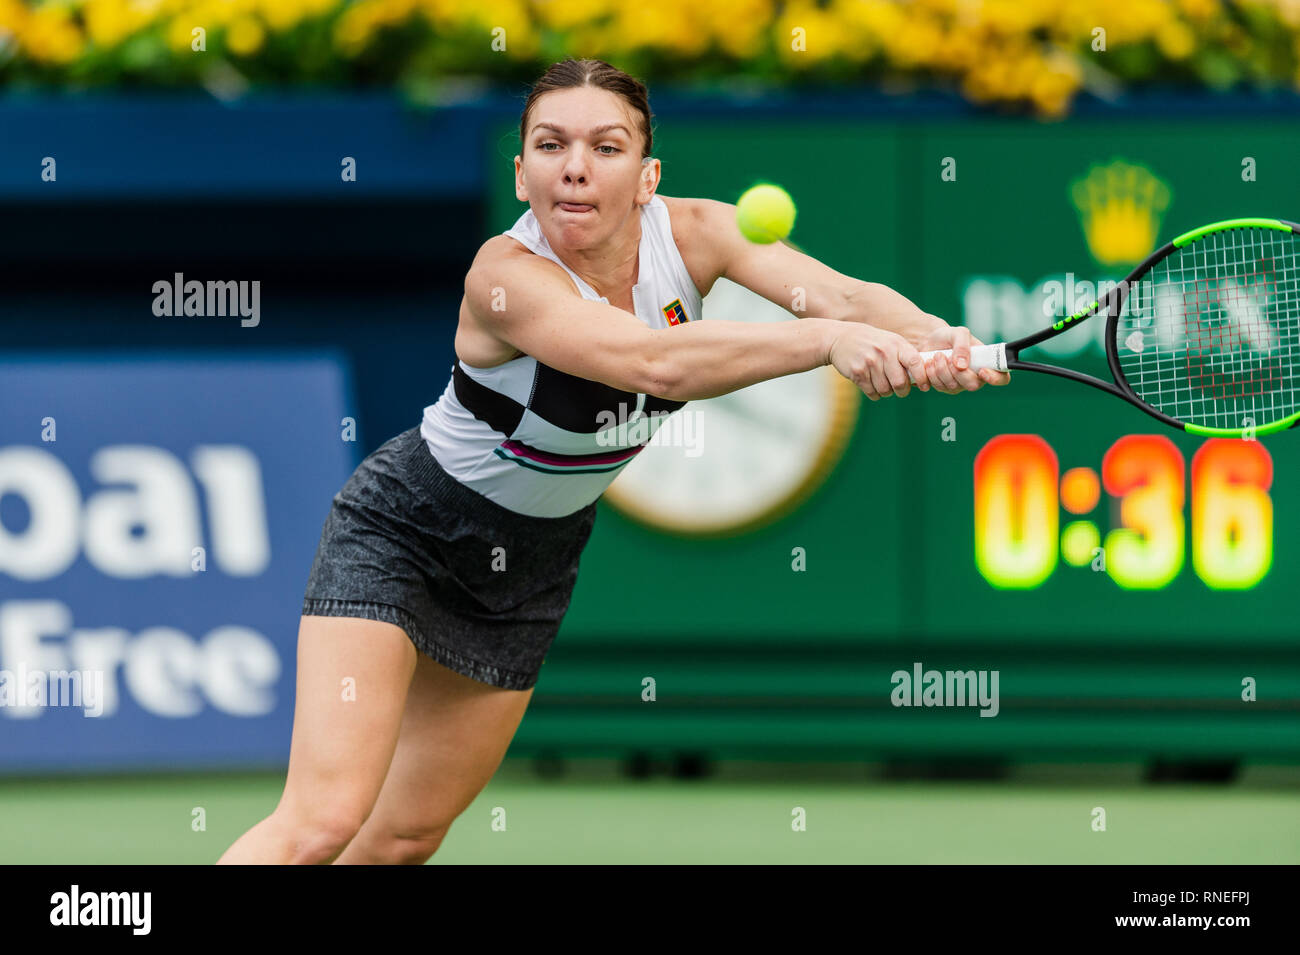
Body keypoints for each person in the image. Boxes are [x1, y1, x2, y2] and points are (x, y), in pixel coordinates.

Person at [217, 57, 1009, 865]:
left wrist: (941, 338)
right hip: (403, 533)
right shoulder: (504, 277)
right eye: (551, 145)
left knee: (405, 838)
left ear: (647, 174)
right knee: (324, 820)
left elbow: (842, 298)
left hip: (533, 563)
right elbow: (652, 364)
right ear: (521, 172)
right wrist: (827, 345)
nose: (576, 168)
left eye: (607, 147)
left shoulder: (701, 233)